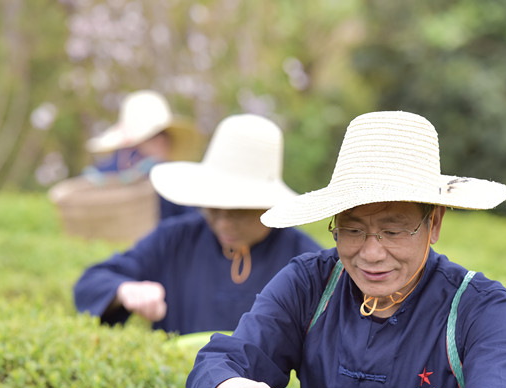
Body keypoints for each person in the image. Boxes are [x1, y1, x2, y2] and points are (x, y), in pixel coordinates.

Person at [186, 111, 506, 388]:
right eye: (352, 229)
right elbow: (223, 358)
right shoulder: (310, 282)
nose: (370, 253)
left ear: (434, 223)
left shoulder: (480, 305)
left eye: (393, 229)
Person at [73, 114, 322, 335]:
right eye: (213, 209)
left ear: (270, 205)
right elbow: (92, 282)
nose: (224, 224)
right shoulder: (175, 239)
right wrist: (124, 290)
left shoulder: (305, 260)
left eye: (239, 212)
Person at [85, 90, 205, 220]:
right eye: (154, 136)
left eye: (164, 135)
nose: (163, 142)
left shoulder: (176, 179)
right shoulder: (100, 177)